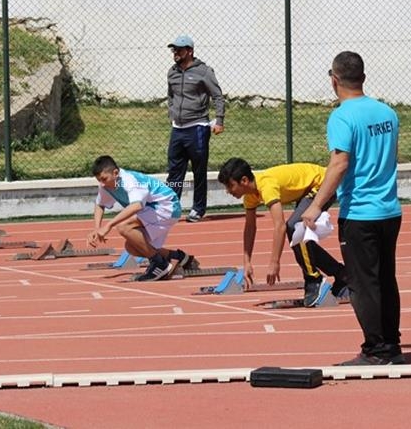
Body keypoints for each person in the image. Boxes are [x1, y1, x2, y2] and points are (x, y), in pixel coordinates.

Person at [301, 51, 405, 366]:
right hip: (389, 210)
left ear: (334, 80)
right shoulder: (387, 112)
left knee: (362, 283)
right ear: (363, 77)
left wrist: (316, 205)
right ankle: (391, 344)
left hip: (360, 212)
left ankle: (376, 349)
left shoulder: (342, 117)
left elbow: (340, 163)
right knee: (386, 279)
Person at [218, 157, 348, 307]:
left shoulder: (266, 186)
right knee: (299, 237)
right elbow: (250, 228)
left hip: (322, 183)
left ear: (244, 180)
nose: (228, 191)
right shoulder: (250, 195)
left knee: (294, 227)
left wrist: (274, 262)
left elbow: (280, 226)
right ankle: (342, 274)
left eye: (230, 186)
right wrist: (246, 262)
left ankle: (314, 279)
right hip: (307, 189)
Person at [87, 155, 194, 281]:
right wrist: (97, 229)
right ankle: (178, 257)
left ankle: (160, 264)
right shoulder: (106, 185)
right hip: (151, 210)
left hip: (166, 207)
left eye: (104, 179)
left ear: (115, 173)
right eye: (99, 180)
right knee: (132, 246)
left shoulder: (130, 180)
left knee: (123, 226)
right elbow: (100, 204)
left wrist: (108, 225)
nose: (102, 183)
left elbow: (136, 206)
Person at [166, 34, 225, 223]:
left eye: (179, 49)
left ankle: (198, 209)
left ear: (189, 51)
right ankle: (171, 208)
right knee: (174, 172)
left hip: (197, 127)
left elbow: (217, 96)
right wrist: (172, 114)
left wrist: (219, 120)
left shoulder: (204, 72)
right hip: (177, 129)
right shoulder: (172, 72)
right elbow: (171, 96)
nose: (175, 53)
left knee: (199, 171)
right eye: (174, 49)